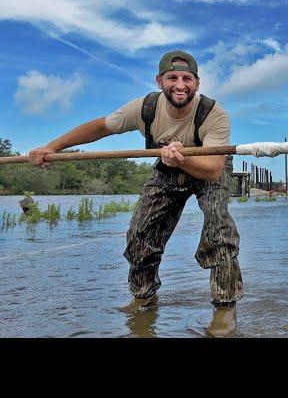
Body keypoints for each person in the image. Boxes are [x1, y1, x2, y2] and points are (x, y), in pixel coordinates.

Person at [29, 50, 243, 338]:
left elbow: (213, 170)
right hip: (168, 168)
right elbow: (101, 127)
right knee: (140, 235)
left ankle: (224, 310)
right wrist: (52, 147)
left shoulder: (214, 114)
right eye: (172, 78)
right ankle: (144, 299)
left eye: (186, 79)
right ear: (159, 81)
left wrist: (182, 158)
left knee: (219, 230)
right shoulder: (145, 108)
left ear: (197, 83)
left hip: (208, 168)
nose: (180, 85)